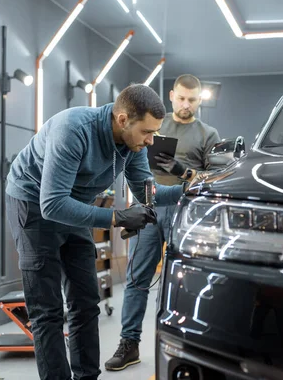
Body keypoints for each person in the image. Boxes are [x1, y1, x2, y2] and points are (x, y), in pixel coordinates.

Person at [5, 84, 193, 380]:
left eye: (154, 132)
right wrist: (116, 217)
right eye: (147, 132)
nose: (151, 140)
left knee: (85, 303)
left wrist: (190, 190)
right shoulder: (73, 129)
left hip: (74, 205)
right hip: (32, 205)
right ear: (122, 120)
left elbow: (148, 193)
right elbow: (52, 204)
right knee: (48, 311)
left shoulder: (132, 145)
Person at [105, 74, 222, 371]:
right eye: (181, 98)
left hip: (187, 213)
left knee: (191, 283)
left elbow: (215, 180)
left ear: (200, 100)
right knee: (136, 279)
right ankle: (129, 343)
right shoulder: (154, 124)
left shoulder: (209, 134)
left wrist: (184, 173)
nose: (186, 104)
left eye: (192, 100)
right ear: (171, 96)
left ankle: (191, 349)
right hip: (149, 208)